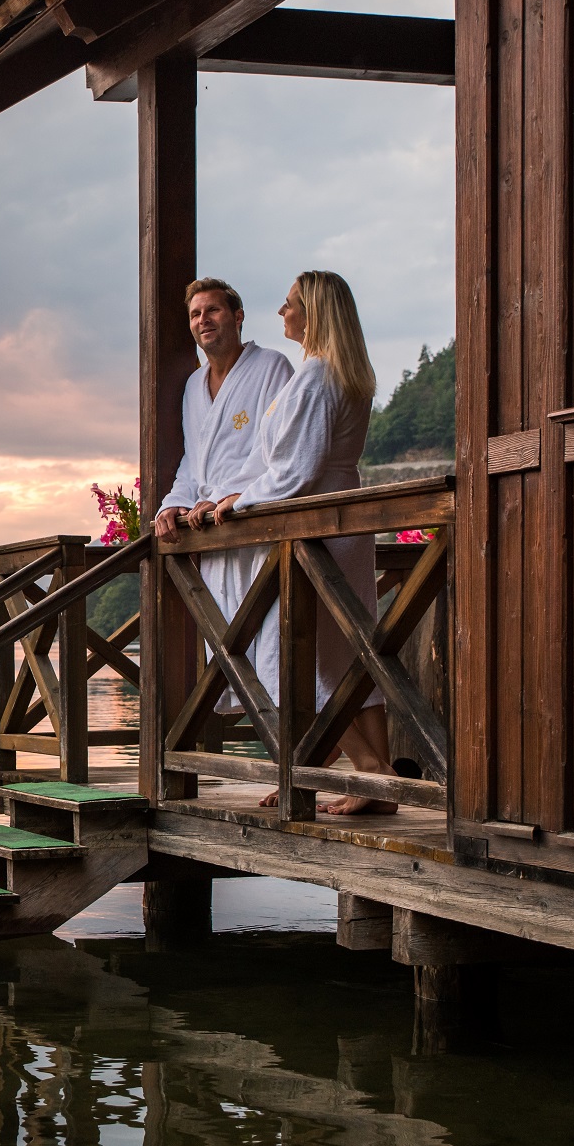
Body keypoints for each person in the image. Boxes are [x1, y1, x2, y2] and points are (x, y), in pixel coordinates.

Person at [210, 270, 393, 815]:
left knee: (293, 656)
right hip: (340, 520)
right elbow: (297, 466)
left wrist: (238, 503)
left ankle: (362, 772)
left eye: (289, 304)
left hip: (314, 529)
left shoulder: (316, 378)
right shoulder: (344, 373)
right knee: (347, 655)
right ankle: (371, 784)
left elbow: (295, 471)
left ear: (313, 313)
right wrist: (245, 488)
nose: (282, 313)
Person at [151, 278, 293, 718]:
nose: (203, 320)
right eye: (195, 314)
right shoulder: (194, 387)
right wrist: (173, 502)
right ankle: (281, 768)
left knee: (274, 649)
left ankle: (296, 768)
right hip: (212, 535)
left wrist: (233, 496)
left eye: (212, 310)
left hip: (255, 527)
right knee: (233, 654)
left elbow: (276, 447)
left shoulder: (273, 367)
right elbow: (196, 460)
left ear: (237, 315)